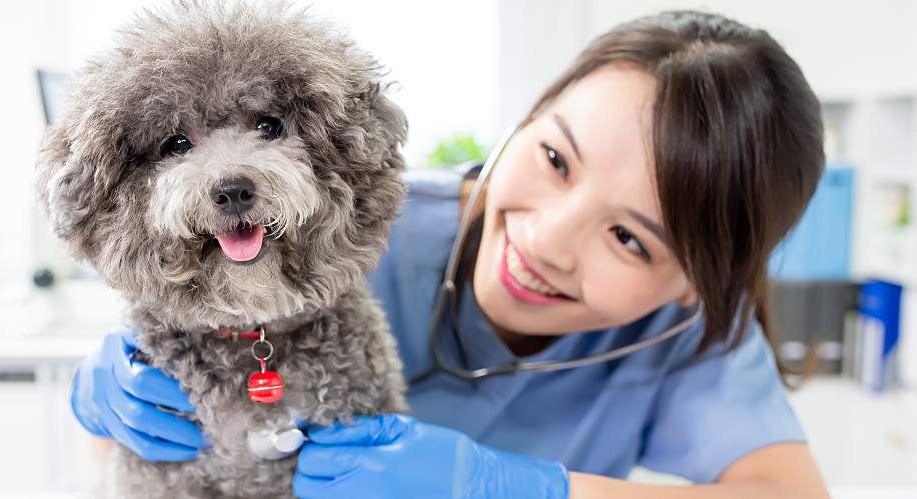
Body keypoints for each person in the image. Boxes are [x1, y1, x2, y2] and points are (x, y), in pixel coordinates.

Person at [69, 10, 831, 499]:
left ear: (693, 287)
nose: (546, 241)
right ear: (527, 120)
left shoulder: (694, 339)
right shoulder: (342, 221)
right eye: (557, 160)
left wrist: (529, 490)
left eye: (629, 238)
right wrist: (109, 401)